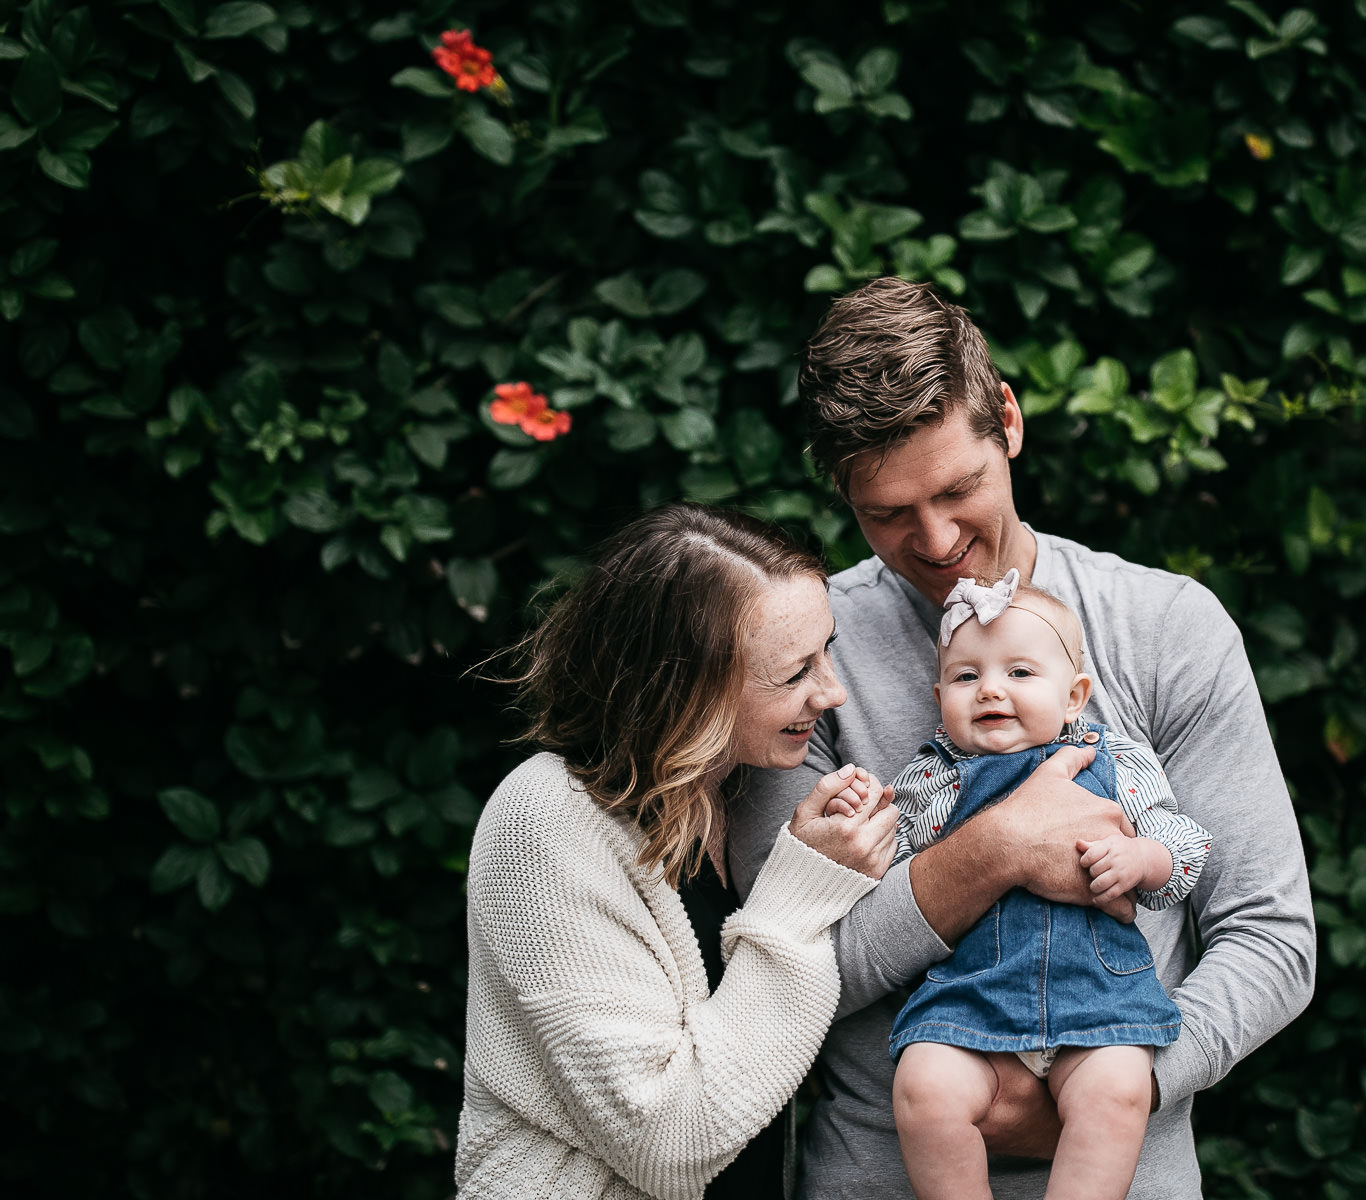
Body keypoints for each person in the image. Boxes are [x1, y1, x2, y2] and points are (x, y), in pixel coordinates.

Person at [729, 278, 1316, 1199]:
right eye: (885, 512)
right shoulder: (806, 653)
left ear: (1007, 418)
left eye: (959, 488)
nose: (934, 539)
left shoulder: (1165, 626)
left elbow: (1271, 938)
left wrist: (1120, 1093)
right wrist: (996, 848)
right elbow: (781, 977)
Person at [456, 504, 899, 1200]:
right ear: (682, 687)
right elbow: (669, 1140)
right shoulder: (544, 821)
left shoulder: (739, 793)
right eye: (793, 675)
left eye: (828, 651)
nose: (833, 691)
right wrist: (804, 893)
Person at [886, 571, 1212, 1200]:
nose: (990, 692)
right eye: (965, 677)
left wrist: (1142, 859)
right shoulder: (934, 779)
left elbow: (1186, 847)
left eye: (1020, 673)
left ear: (1074, 697)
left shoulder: (1115, 761)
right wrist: (860, 829)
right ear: (938, 697)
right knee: (925, 1088)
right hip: (971, 1004)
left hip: (1100, 1004)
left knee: (1117, 1091)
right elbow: (897, 874)